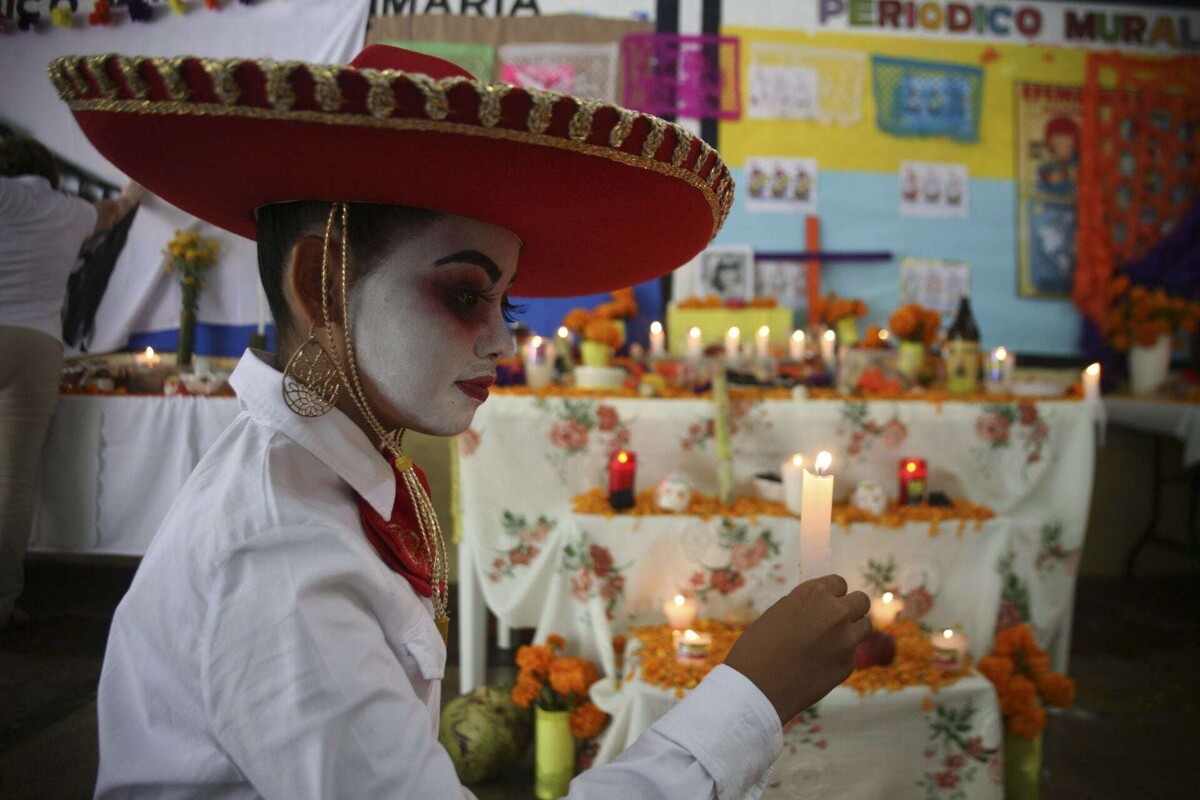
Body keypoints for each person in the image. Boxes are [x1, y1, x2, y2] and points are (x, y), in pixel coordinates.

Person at [53, 46, 871, 798]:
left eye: (505, 300)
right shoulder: (278, 556)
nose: (505, 341)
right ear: (319, 285)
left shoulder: (326, 478)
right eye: (464, 294)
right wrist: (753, 697)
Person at [0, 136, 144, 630]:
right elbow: (118, 208)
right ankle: (3, 605)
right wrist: (139, 178)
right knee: (13, 483)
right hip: (39, 348)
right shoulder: (70, 209)